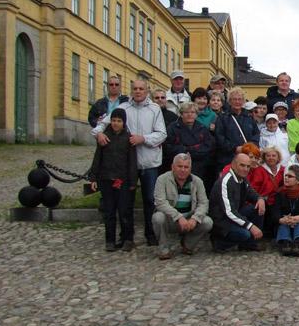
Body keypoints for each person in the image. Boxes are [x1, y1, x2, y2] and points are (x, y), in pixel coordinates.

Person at [92, 79, 167, 246]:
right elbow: (102, 125)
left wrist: (144, 138)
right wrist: (99, 134)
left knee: (149, 200)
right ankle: (127, 236)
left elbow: (162, 134)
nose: (138, 91)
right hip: (125, 166)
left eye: (141, 89)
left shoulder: (155, 109)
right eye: (135, 89)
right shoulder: (123, 108)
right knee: (125, 202)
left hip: (149, 162)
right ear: (131, 90)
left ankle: (150, 233)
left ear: (147, 91)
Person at [89, 107, 137, 252]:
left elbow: (132, 162)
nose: (116, 123)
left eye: (119, 121)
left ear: (124, 123)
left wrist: (133, 181)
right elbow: (97, 158)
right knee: (109, 212)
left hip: (122, 180)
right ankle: (109, 240)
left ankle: (127, 238)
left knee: (124, 211)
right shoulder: (104, 137)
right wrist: (93, 177)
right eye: (114, 120)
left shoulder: (128, 139)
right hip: (106, 178)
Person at [152, 153, 213, 260]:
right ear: (172, 167)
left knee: (208, 222)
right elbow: (160, 202)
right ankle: (164, 248)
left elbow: (203, 203)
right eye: (180, 166)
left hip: (189, 220)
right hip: (170, 220)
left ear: (190, 168)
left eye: (186, 167)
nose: (183, 170)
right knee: (158, 217)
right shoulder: (162, 179)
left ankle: (187, 245)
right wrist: (178, 217)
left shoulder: (197, 181)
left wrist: (195, 218)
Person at [209, 153, 265, 252]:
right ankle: (219, 243)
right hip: (222, 221)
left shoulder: (242, 178)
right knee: (245, 234)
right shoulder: (225, 182)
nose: (245, 169)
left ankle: (249, 244)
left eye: (248, 166)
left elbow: (251, 192)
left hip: (235, 214)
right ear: (233, 165)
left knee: (258, 207)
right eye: (242, 165)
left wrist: (260, 199)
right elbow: (229, 212)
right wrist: (250, 226)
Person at [214, 87, 261, 170]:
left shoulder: (249, 117)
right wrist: (234, 148)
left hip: (247, 158)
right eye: (234, 99)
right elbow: (220, 137)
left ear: (243, 101)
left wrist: (250, 148)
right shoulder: (222, 117)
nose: (237, 102)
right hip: (228, 158)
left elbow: (256, 134)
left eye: (240, 99)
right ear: (229, 101)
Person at [165, 102, 214, 180]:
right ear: (181, 114)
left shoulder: (202, 128)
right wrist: (188, 150)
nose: (189, 114)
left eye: (192, 112)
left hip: (200, 167)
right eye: (186, 112)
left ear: (196, 114)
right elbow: (169, 147)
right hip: (179, 167)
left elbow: (208, 146)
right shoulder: (172, 128)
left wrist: (188, 150)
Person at [250, 146, 285, 212]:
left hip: (280, 203)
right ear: (264, 158)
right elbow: (253, 189)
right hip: (264, 204)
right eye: (268, 156)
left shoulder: (283, 170)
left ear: (278, 158)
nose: (271, 158)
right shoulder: (259, 171)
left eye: (274, 155)